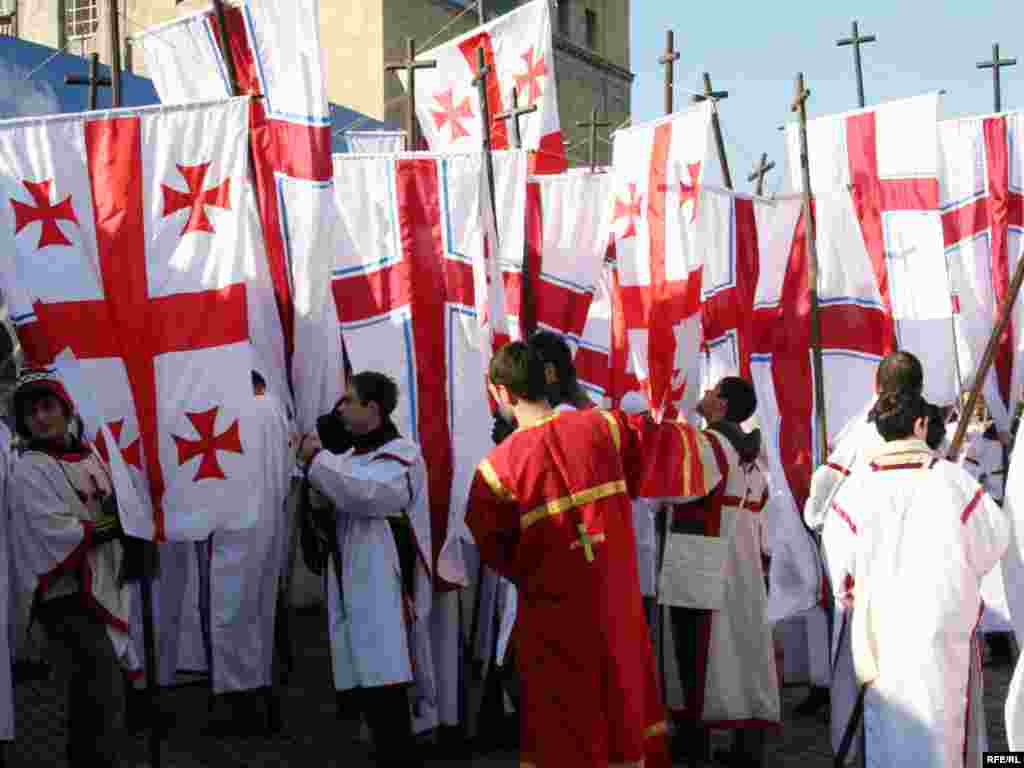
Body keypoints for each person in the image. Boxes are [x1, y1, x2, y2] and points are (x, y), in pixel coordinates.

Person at [464, 341, 723, 768]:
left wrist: (539, 574)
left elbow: (495, 548)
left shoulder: (495, 470)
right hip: (615, 604)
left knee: (565, 720)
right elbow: (686, 459)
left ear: (503, 394)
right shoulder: (606, 427)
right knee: (621, 706)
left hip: (552, 616)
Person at [830, 389, 1008, 768]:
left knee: (888, 731)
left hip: (880, 634)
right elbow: (993, 543)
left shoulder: (853, 490)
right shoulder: (954, 482)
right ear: (921, 424)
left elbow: (842, 577)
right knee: (944, 730)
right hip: (941, 630)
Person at [298, 371, 432, 768]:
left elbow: (366, 494)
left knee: (388, 687)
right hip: (352, 582)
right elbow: (337, 493)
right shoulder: (350, 458)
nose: (340, 409)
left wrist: (316, 462)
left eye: (348, 401)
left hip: (385, 586)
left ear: (372, 409)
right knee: (368, 688)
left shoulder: (403, 454)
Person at [8, 368, 134, 767]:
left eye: (48, 407)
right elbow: (49, 530)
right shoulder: (30, 467)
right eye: (31, 412)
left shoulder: (90, 453)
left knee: (100, 701)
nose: (41, 418)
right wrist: (106, 527)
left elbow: (113, 499)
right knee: (94, 697)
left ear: (65, 409)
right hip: (68, 598)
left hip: (101, 585)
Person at [802, 350, 923, 755]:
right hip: (917, 565)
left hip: (866, 563)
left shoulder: (863, 432)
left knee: (856, 661)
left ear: (877, 385)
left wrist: (817, 520)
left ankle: (853, 747)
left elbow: (824, 488)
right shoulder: (933, 426)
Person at [668, 377, 778, 768]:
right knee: (743, 647)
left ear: (723, 405)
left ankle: (694, 742)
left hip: (702, 558)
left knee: (697, 648)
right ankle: (748, 745)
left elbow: (674, 490)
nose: (706, 394)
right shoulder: (756, 451)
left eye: (714, 391)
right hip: (742, 557)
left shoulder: (709, 442)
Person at [202, 370, 293, 736]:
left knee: (230, 614)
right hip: (269, 523)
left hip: (235, 528)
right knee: (260, 612)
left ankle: (238, 708)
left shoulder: (244, 414)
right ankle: (264, 702)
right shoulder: (275, 411)